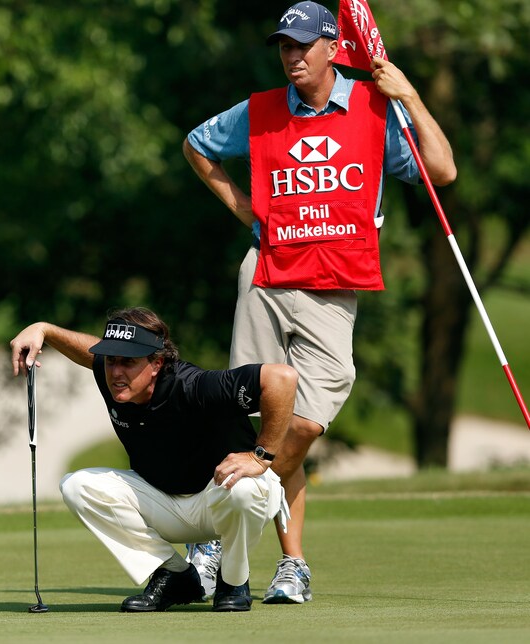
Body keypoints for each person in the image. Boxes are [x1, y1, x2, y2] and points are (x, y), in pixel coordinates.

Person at [182, 1, 457, 604]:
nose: (293, 56)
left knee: (300, 425)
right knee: (254, 418)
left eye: (305, 45)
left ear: (335, 48)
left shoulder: (374, 107)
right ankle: (292, 565)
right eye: (285, 45)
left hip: (334, 285)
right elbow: (197, 145)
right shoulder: (259, 111)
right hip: (267, 273)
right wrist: (248, 212)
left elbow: (443, 170)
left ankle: (211, 534)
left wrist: (408, 95)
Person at [9, 306, 298, 612]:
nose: (116, 372)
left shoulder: (196, 386)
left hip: (222, 499)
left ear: (157, 363)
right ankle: (175, 575)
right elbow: (88, 352)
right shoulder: (113, 376)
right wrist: (45, 329)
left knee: (244, 489)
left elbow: (282, 378)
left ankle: (234, 579)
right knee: (76, 485)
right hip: (165, 505)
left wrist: (260, 455)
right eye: (112, 360)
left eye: (128, 362)